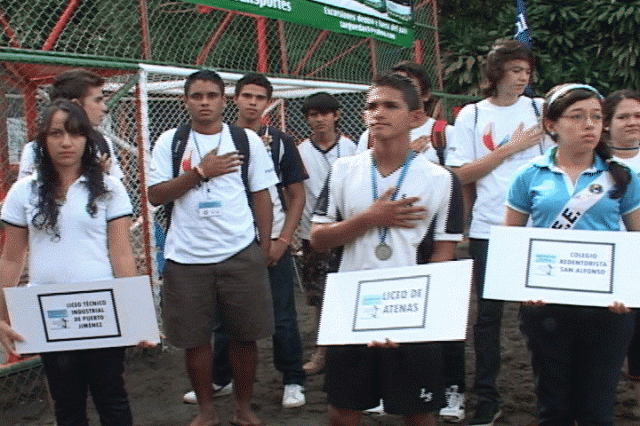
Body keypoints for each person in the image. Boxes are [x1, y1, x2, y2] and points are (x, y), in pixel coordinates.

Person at [311, 73, 464, 426]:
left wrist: (414, 320)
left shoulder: (441, 179)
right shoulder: (343, 170)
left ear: (414, 116)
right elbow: (318, 239)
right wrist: (369, 218)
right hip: (351, 306)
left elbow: (443, 255)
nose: (377, 113)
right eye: (371, 106)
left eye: (390, 105)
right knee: (343, 411)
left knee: (418, 412)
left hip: (410, 309)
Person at [147, 70, 278, 426]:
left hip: (239, 252)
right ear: (185, 101)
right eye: (196, 96)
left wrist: (263, 245)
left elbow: (262, 195)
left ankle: (244, 408)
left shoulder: (245, 140)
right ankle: (206, 410)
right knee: (194, 340)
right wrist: (200, 172)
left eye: (211, 95)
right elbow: (155, 195)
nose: (204, 102)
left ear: (225, 100)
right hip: (186, 258)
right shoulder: (170, 142)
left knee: (245, 336)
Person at [0, 99, 142, 426]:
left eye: (76, 134)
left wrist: (136, 316)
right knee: (66, 404)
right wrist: (1, 314)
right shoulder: (24, 191)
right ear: (42, 141)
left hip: (101, 310)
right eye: (56, 134)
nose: (66, 142)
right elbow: (12, 257)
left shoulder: (109, 188)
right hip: (49, 314)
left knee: (113, 398)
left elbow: (121, 253)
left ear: (87, 139)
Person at [505, 83, 640, 425]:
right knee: (554, 409)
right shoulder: (527, 176)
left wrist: (628, 290)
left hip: (608, 310)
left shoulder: (623, 177)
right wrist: (523, 290)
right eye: (577, 116)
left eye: (596, 116)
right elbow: (511, 241)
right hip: (546, 308)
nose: (590, 125)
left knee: (598, 410)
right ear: (552, 124)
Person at [182, 73, 308, 408]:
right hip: (227, 247)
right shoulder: (210, 141)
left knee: (282, 316)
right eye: (246, 95)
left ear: (268, 102)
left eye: (260, 97)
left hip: (271, 246)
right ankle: (222, 378)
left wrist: (282, 240)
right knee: (226, 319)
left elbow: (296, 196)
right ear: (233, 99)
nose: (252, 102)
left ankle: (293, 379)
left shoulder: (281, 142)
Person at [445, 39, 551, 426]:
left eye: (527, 71)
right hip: (489, 229)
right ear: (496, 74)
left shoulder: (541, 110)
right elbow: (460, 176)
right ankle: (487, 397)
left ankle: (550, 395)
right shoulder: (471, 116)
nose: (524, 77)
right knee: (488, 319)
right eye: (516, 70)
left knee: (540, 316)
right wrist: (510, 148)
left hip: (537, 229)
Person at [297, 92, 357, 375]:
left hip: (348, 232)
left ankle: (352, 348)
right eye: (313, 114)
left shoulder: (352, 148)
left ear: (337, 114)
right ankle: (322, 352)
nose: (319, 119)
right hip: (314, 235)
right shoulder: (300, 152)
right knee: (319, 295)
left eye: (325, 113)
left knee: (350, 291)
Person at [603, 89, 640, 417]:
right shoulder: (597, 165)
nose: (632, 122)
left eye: (638, 116)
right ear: (607, 123)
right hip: (611, 266)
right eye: (623, 116)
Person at [19, 69, 124, 180]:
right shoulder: (35, 150)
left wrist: (103, 178)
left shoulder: (103, 143)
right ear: (76, 105)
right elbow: (26, 194)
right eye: (97, 100)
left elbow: (118, 191)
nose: (105, 108)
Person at [356, 61, 452, 167]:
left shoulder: (444, 133)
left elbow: (457, 178)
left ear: (426, 95)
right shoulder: (370, 136)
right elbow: (359, 176)